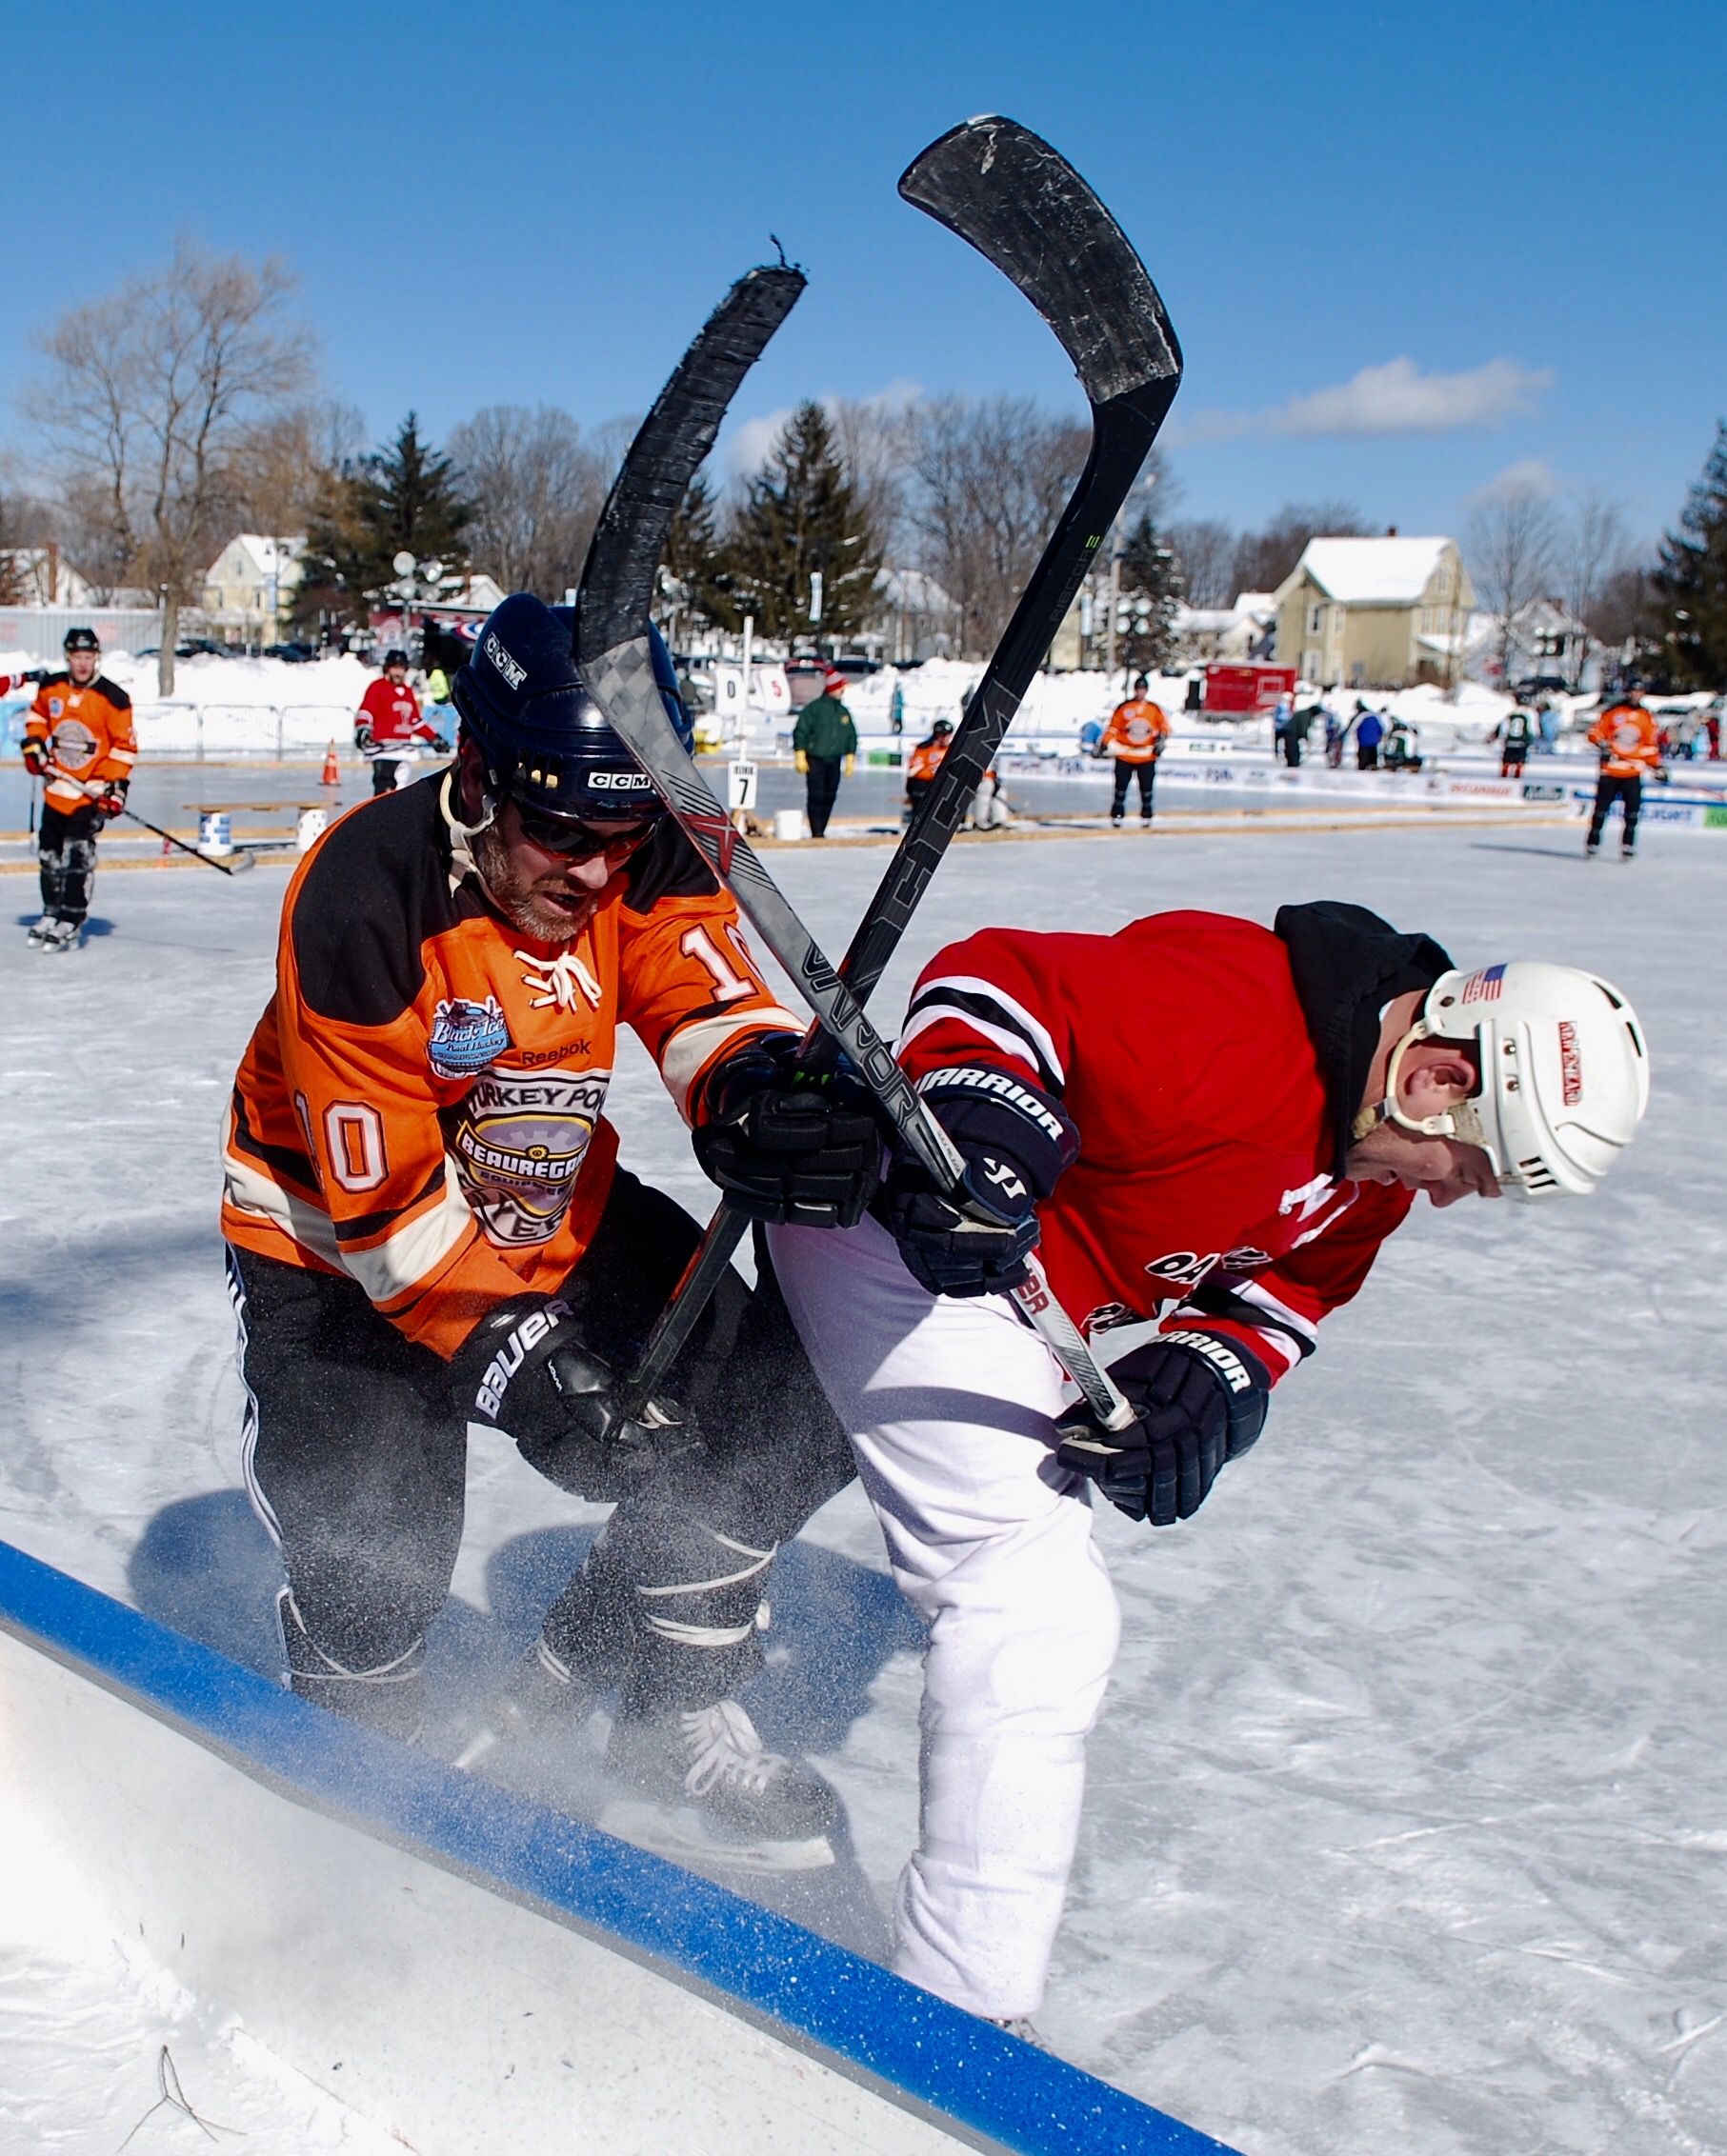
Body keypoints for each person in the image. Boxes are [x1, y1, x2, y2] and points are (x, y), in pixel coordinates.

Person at [768, 902, 1649, 2030]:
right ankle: (960, 2009)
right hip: (902, 1248)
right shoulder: (1239, 1027)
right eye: (1465, 1169)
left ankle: (627, 1665)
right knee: (1028, 1603)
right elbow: (998, 981)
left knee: (761, 1468)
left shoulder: (1371, 1145)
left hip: (1032, 1301)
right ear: (1434, 1074)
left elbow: (1298, 1283)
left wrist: (1210, 1377)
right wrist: (984, 1126)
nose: (1439, 1193)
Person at [221, 594, 875, 1870]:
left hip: (542, 1196)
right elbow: (392, 1225)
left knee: (770, 1407)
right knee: (376, 1556)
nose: (590, 869)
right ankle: (357, 1785)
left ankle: (671, 1710)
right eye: (558, 831)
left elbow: (698, 983)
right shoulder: (365, 900)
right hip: (339, 1250)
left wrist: (753, 1093)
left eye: (619, 834)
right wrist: (523, 1373)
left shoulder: (637, 839)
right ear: (474, 778)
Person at [21, 626, 136, 953]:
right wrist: (33, 746)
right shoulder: (52, 687)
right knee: (49, 855)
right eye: (77, 657)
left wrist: (115, 787)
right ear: (68, 657)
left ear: (96, 658)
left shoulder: (113, 698)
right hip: (57, 787)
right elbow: (37, 717)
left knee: (77, 855)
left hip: (91, 791)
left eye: (88, 657)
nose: (83, 663)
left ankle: (71, 917)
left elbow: (124, 747)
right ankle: (51, 911)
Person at [1585, 688, 1661, 860]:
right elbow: (1594, 732)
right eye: (1633, 691)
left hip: (1632, 773)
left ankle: (1628, 845)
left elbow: (1650, 745)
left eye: (1639, 692)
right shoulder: (1613, 712)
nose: (1635, 695)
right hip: (1610, 771)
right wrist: (1602, 745)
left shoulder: (1646, 717)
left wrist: (1657, 765)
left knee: (1632, 814)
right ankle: (1593, 844)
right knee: (1600, 811)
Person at [356, 649, 445, 795]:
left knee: (399, 793)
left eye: (401, 668)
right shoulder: (377, 687)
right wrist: (363, 729)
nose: (398, 672)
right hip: (384, 751)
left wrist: (434, 738)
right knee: (384, 793)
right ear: (387, 668)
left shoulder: (408, 692)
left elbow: (415, 722)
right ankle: (381, 817)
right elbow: (366, 711)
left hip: (404, 751)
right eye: (394, 668)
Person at [791, 667, 857, 838]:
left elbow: (850, 734)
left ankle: (823, 828)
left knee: (830, 795)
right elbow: (801, 731)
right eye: (840, 687)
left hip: (834, 760)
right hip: (815, 758)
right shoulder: (814, 709)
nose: (842, 691)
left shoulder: (843, 711)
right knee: (816, 795)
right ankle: (816, 830)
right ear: (832, 688)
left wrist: (850, 755)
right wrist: (799, 752)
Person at [1099, 673, 1170, 825]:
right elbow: (1114, 728)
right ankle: (1117, 815)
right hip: (1125, 753)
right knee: (1120, 787)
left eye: (1143, 689)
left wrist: (1161, 739)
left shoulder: (1154, 709)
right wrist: (1105, 742)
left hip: (1146, 755)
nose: (1140, 692)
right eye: (1138, 689)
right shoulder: (1125, 707)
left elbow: (1164, 727)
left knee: (1146, 788)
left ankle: (1146, 815)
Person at [905, 717, 954, 823]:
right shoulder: (924, 748)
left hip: (943, 785)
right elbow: (913, 772)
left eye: (949, 735)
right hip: (925, 785)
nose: (946, 738)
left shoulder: (952, 750)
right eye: (944, 735)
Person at [1496, 706, 1535, 777]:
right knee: (1520, 760)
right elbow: (1532, 730)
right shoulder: (1529, 714)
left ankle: (1505, 772)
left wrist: (1501, 737)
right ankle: (1518, 771)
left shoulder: (1509, 715)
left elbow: (1503, 728)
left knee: (1507, 760)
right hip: (1521, 742)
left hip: (1510, 742)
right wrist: (1530, 741)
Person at [1354, 702, 1385, 770]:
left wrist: (1358, 738)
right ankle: (1373, 766)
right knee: (1372, 757)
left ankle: (1363, 766)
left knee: (1364, 758)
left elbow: (1356, 729)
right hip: (1374, 742)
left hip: (1364, 742)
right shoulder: (1375, 718)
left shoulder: (1362, 718)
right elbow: (1381, 729)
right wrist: (1379, 738)